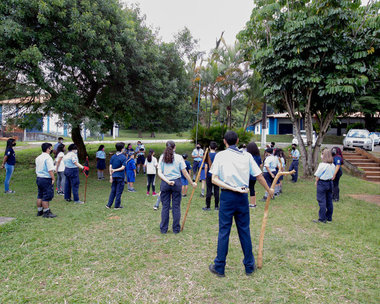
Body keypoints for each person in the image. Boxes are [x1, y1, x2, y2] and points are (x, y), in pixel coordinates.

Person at [208, 131, 274, 277]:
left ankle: (219, 267)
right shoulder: (247, 156)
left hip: (227, 197)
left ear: (224, 141)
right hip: (243, 196)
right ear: (237, 141)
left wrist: (230, 187)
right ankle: (249, 266)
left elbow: (214, 179)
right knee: (244, 230)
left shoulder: (221, 155)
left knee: (224, 231)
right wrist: (269, 190)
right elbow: (259, 175)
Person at [157, 140, 196, 234]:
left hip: (165, 183)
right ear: (175, 147)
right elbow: (185, 172)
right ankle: (176, 229)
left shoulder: (162, 157)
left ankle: (163, 229)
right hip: (176, 183)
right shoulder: (178, 157)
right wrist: (192, 183)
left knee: (165, 206)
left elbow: (159, 173)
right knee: (176, 206)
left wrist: (167, 181)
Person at [313, 149, 335, 223]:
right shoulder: (332, 165)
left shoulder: (322, 165)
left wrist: (316, 182)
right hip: (330, 183)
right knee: (329, 200)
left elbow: (317, 175)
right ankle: (329, 217)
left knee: (321, 201)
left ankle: (322, 218)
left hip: (322, 183)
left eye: (322, 154)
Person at [35, 143, 57, 218]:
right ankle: (46, 212)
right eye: (51, 148)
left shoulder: (38, 157)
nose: (52, 149)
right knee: (46, 195)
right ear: (48, 149)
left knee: (40, 195)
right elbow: (50, 170)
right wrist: (53, 178)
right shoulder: (48, 158)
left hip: (39, 178)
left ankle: (39, 210)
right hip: (46, 178)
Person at [106, 142, 128, 209]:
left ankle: (108, 205)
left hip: (114, 176)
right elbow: (123, 167)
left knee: (113, 191)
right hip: (120, 176)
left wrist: (111, 175)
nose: (124, 149)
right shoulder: (123, 157)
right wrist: (115, 170)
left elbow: (110, 166)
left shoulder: (113, 156)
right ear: (122, 149)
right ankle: (117, 206)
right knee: (119, 191)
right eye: (124, 148)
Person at [203, 141, 220, 211]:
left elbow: (206, 167)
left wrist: (206, 175)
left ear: (209, 147)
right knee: (216, 190)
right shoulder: (218, 155)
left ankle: (208, 206)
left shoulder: (207, 155)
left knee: (209, 190)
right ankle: (216, 206)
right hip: (216, 175)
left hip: (209, 174)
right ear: (216, 148)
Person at [246, 142, 262, 208]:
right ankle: (254, 203)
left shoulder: (248, 157)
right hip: (255, 175)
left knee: (248, 189)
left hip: (248, 175)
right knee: (252, 188)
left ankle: (252, 204)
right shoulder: (258, 157)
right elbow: (260, 165)